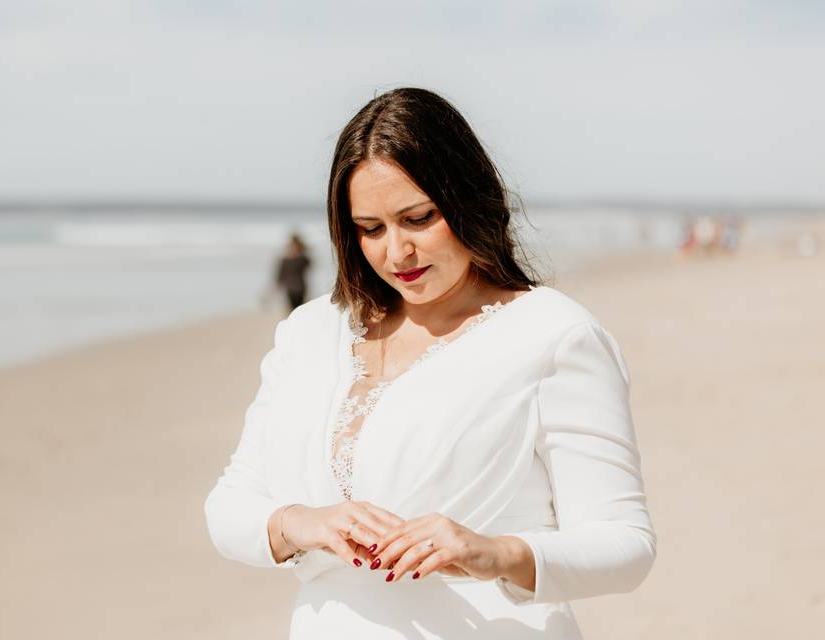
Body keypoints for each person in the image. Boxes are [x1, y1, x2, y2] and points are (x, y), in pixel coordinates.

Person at [204, 87, 656, 639]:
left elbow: (626, 544)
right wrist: (303, 524)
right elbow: (230, 506)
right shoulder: (311, 331)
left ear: (468, 199)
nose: (397, 253)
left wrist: (493, 552)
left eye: (417, 218)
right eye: (370, 229)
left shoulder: (554, 335)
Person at [275, 233, 311, 314]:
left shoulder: (302, 259)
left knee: (300, 308)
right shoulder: (286, 260)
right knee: (292, 310)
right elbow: (281, 273)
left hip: (300, 287)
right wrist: (278, 284)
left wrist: (301, 253)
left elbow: (309, 264)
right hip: (290, 288)